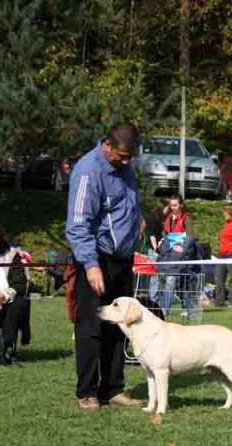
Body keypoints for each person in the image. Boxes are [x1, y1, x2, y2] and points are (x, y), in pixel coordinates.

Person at [66, 122, 142, 411]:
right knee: (91, 327)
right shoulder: (88, 171)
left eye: (129, 156)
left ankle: (113, 388)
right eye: (121, 155)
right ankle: (87, 392)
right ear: (107, 145)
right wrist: (90, 264)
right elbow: (77, 224)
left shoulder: (125, 168)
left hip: (123, 258)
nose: (125, 161)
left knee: (119, 324)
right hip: (97, 259)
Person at [0, 224, 31, 358]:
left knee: (19, 304)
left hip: (6, 306)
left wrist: (1, 296)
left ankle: (4, 345)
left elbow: (20, 285)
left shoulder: (13, 255)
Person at [160, 193, 193, 315]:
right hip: (170, 254)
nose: (173, 207)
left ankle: (184, 307)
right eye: (171, 205)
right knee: (171, 281)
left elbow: (190, 237)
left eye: (175, 205)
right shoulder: (168, 217)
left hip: (183, 255)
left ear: (181, 205)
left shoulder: (186, 218)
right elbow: (165, 234)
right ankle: (166, 309)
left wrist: (183, 248)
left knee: (178, 283)